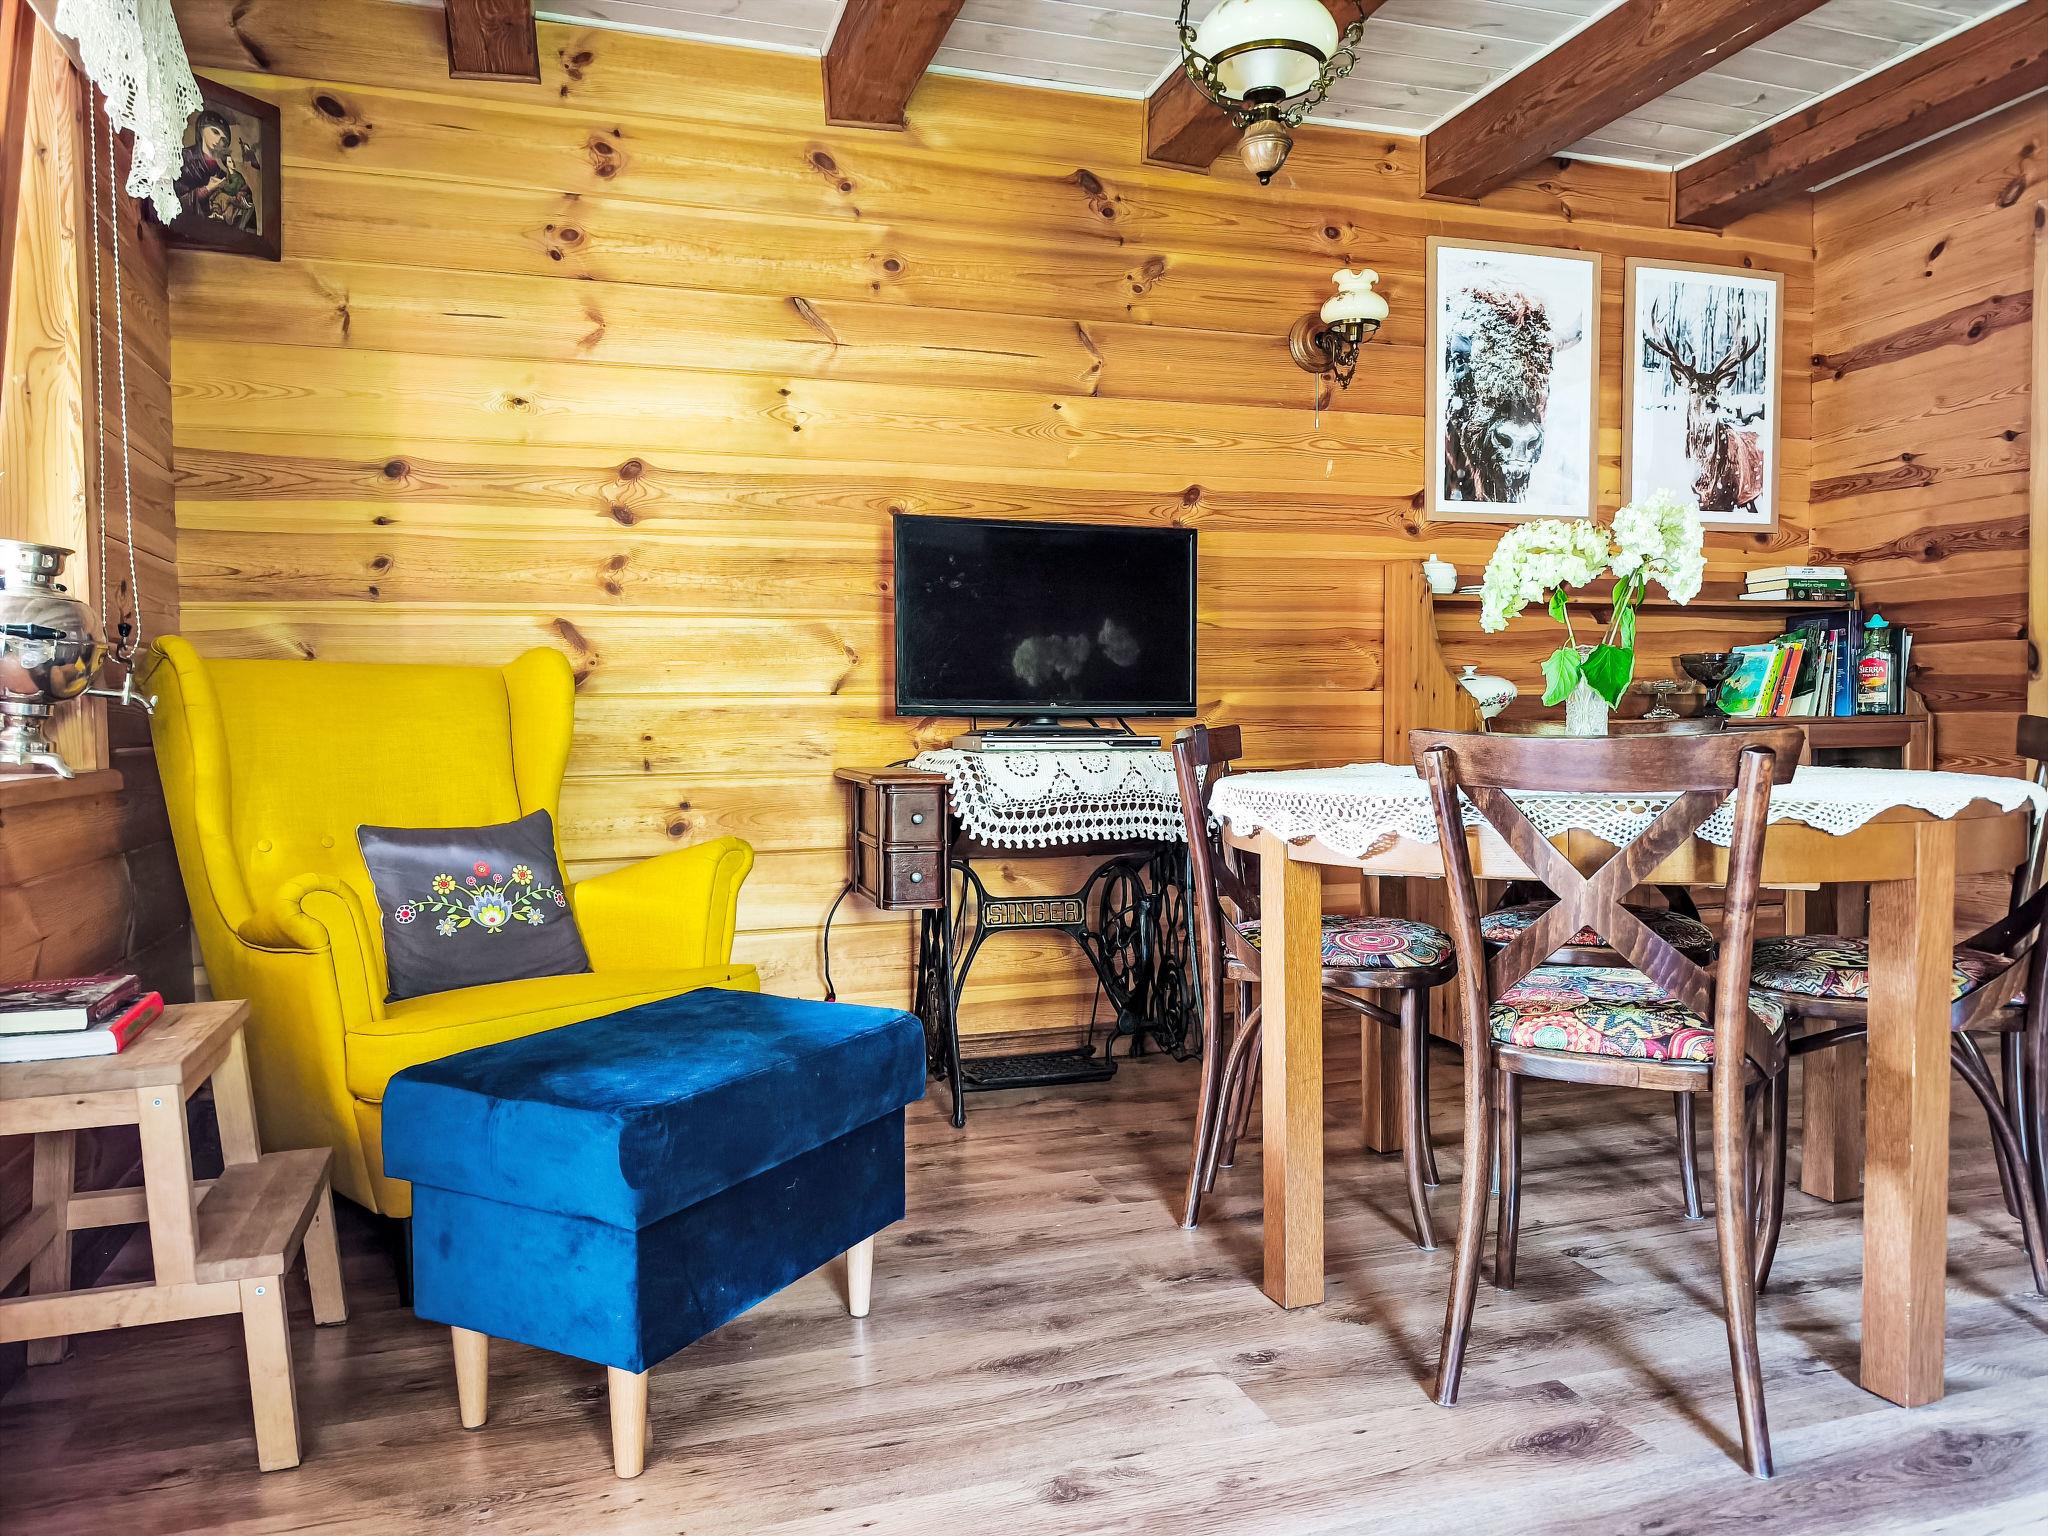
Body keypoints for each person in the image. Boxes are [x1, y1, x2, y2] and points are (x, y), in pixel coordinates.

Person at [176, 111, 255, 230]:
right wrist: (206, 190)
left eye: (223, 139)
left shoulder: (222, 172)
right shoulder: (182, 158)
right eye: (215, 132)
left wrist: (242, 194)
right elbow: (173, 200)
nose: (219, 140)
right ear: (201, 129)